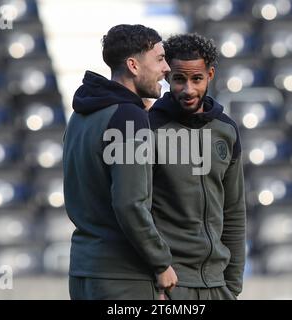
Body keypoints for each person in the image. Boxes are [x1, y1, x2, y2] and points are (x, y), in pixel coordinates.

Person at [63, 24, 177, 300]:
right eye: (160, 59)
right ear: (133, 66)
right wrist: (161, 262)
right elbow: (129, 202)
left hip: (84, 272)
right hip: (122, 278)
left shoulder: (81, 114)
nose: (167, 69)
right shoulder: (128, 117)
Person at [149, 33, 246, 300]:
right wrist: (155, 278)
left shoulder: (227, 130)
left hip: (218, 285)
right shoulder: (147, 129)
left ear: (211, 74)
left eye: (197, 79)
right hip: (168, 285)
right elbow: (135, 211)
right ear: (167, 75)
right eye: (179, 79)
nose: (188, 89)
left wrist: (233, 286)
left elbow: (234, 211)